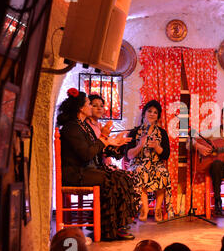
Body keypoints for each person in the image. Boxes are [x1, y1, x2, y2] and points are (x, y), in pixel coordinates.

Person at [57, 88, 138, 241]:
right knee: (114, 178)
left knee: (122, 176)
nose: (91, 107)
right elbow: (86, 154)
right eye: (89, 104)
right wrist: (104, 140)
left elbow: (94, 149)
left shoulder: (82, 126)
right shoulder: (71, 128)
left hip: (87, 170)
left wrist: (111, 142)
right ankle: (108, 229)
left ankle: (114, 227)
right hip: (76, 173)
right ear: (81, 108)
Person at [125, 100, 172, 222]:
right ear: (144, 113)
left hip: (156, 163)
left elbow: (166, 155)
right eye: (149, 111)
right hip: (138, 163)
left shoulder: (162, 133)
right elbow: (128, 155)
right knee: (140, 171)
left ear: (158, 117)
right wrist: (140, 145)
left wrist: (157, 147)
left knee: (163, 172)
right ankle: (144, 208)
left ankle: (158, 209)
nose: (152, 114)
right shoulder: (134, 132)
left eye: (155, 112)